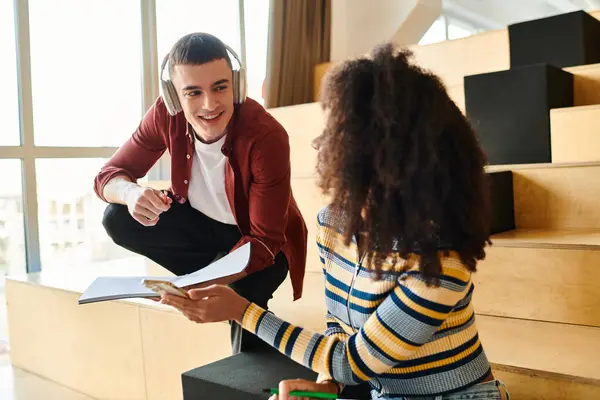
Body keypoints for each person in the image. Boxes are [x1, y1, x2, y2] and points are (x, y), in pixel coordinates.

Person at [159, 43, 511, 400]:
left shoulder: (441, 262)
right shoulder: (334, 225)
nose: (322, 144)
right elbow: (339, 333)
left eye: (341, 132)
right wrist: (326, 386)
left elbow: (351, 361)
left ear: (386, 154)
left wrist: (242, 311)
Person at [93, 32, 308, 355]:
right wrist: (131, 193)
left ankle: (250, 339)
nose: (210, 105)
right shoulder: (165, 115)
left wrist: (203, 285)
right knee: (117, 217)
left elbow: (265, 240)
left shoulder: (266, 136)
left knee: (241, 300)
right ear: (174, 95)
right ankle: (238, 298)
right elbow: (107, 177)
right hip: (200, 229)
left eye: (220, 87)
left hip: (261, 245)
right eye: (193, 92)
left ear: (236, 83)